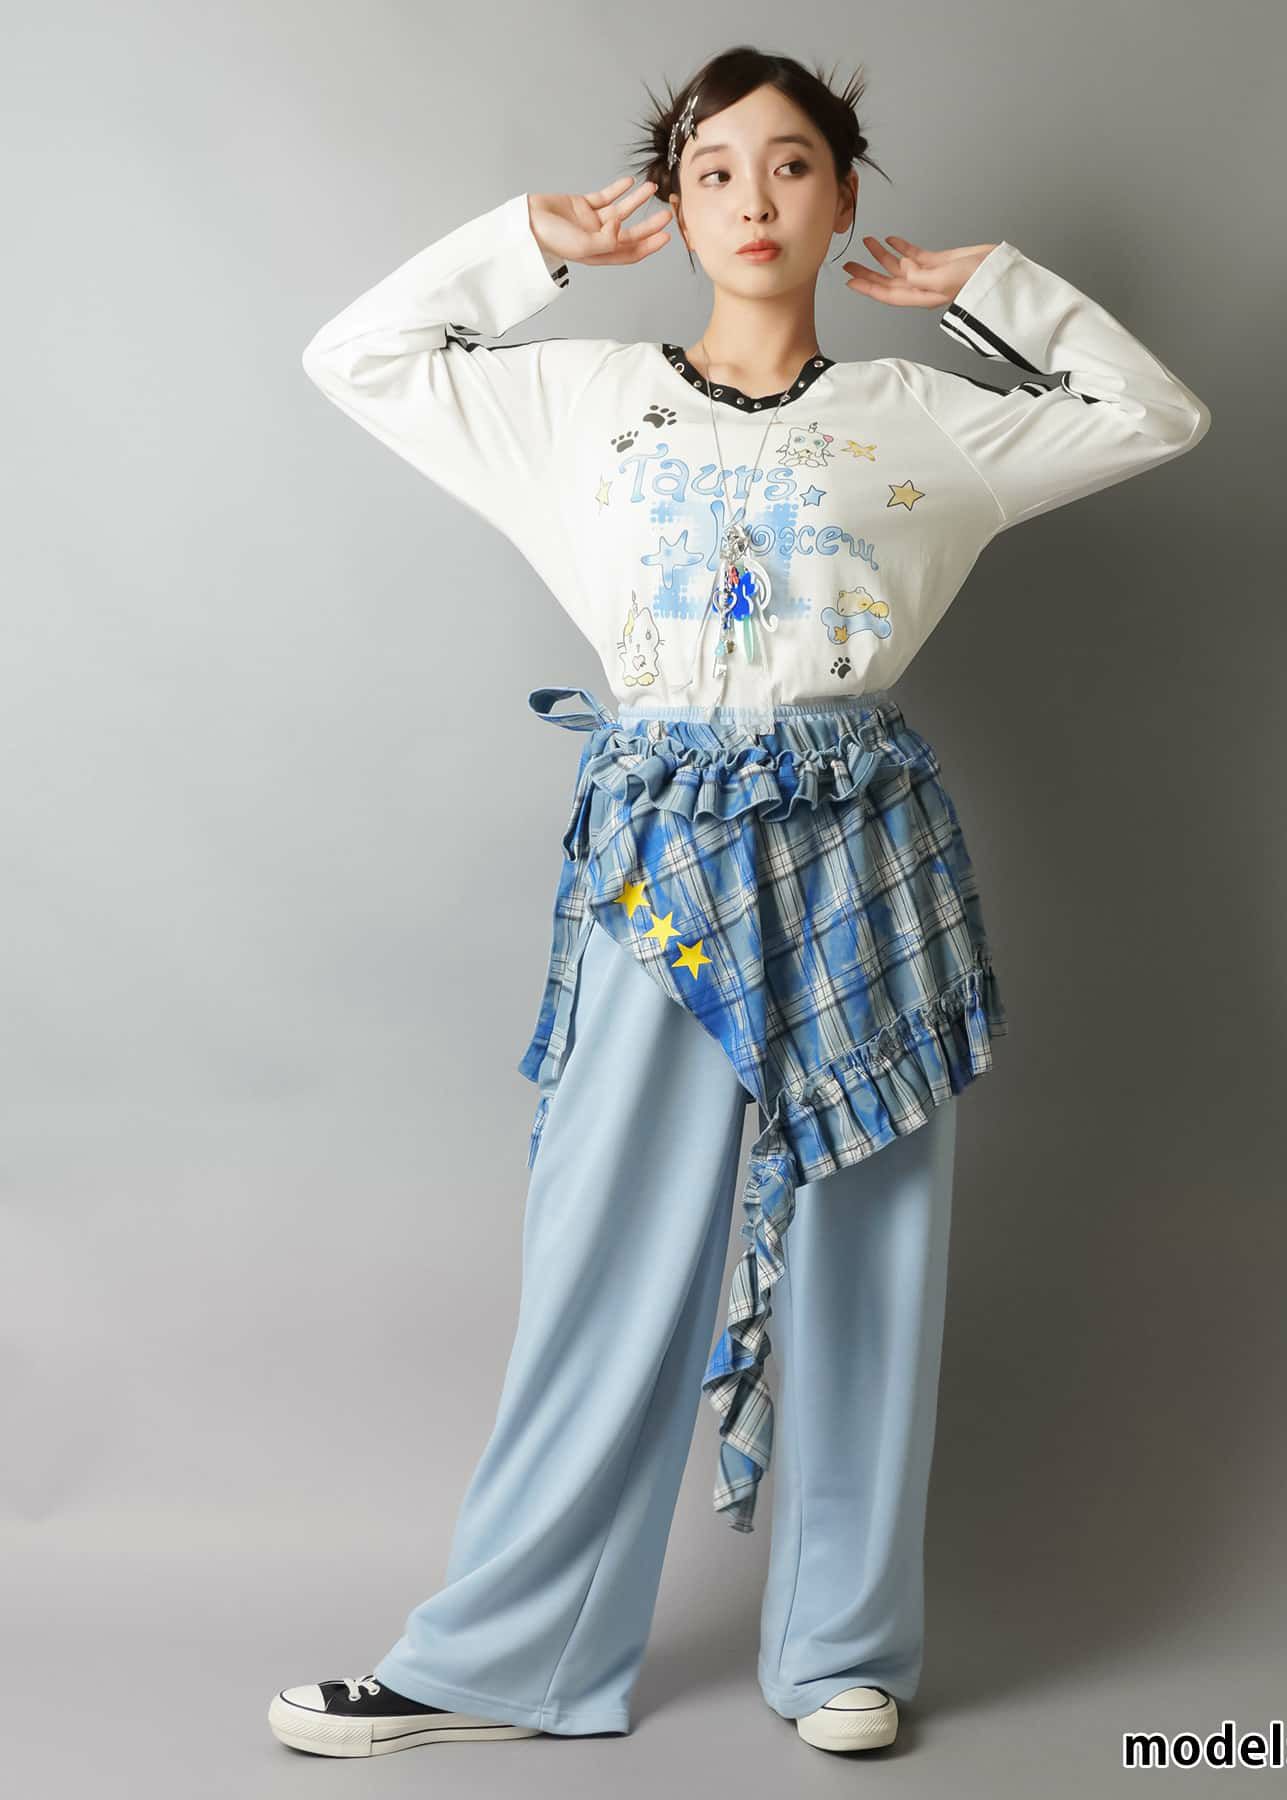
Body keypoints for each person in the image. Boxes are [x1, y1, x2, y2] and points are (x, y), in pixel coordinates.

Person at [269, 43, 1210, 1760]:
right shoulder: (575, 403)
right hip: (660, 854)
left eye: (791, 166)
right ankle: (512, 1656)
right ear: (677, 207)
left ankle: (845, 1650)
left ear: (844, 201)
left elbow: (1155, 416)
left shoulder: (924, 416)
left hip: (862, 850)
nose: (752, 199)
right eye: (713, 170)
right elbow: (359, 357)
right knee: (604, 1248)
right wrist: (530, 248)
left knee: (870, 1247)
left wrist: (992, 291)